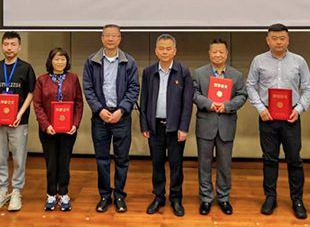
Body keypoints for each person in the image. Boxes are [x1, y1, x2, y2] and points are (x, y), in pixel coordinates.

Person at [247, 23, 310, 220]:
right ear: (267, 40)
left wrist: (299, 109)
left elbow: (308, 88)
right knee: (269, 159)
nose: (278, 42)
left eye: (282, 38)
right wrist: (260, 108)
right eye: (274, 38)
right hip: (267, 117)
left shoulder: (298, 61)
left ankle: (297, 200)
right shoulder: (259, 60)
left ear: (288, 40)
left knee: (294, 160)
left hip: (291, 117)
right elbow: (250, 86)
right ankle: (270, 197)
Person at [83, 24, 140, 213]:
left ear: (120, 39)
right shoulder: (91, 61)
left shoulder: (129, 62)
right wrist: (99, 110)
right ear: (101, 38)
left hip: (121, 117)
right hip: (100, 118)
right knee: (102, 159)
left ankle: (120, 195)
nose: (110, 39)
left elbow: (134, 89)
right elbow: (88, 88)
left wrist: (121, 110)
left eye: (114, 35)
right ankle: (105, 196)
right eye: (107, 35)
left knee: (122, 159)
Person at [139, 34, 194, 217]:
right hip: (155, 126)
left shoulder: (183, 72)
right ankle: (159, 197)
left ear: (174, 51)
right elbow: (144, 100)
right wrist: (144, 125)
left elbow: (187, 103)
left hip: (175, 127)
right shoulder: (148, 72)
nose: (165, 52)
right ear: (156, 51)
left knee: (176, 165)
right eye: (161, 48)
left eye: (168, 48)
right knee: (157, 164)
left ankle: (176, 199)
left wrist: (184, 127)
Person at [192, 38, 247, 216]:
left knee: (225, 164)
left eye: (221, 52)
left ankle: (224, 198)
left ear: (227, 54)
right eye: (214, 52)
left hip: (226, 125)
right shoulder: (199, 73)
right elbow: (193, 93)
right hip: (205, 123)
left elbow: (242, 95)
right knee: (204, 164)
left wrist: (227, 106)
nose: (218, 55)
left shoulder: (236, 75)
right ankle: (206, 198)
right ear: (209, 54)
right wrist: (208, 104)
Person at [0, 32, 36, 212]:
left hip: (18, 121)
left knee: (19, 157)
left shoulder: (26, 68)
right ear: (1, 46)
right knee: (0, 156)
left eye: (13, 44)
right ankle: (2, 190)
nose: (9, 48)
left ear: (19, 47)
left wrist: (20, 113)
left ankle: (16, 191)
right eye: (6, 44)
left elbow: (31, 93)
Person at [33, 47, 84, 211]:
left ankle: (63, 193)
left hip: (68, 130)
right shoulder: (41, 80)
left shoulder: (73, 78)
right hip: (48, 130)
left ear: (67, 62)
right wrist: (46, 125)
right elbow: (37, 105)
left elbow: (79, 103)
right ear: (51, 61)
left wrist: (75, 124)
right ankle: (50, 194)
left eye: (63, 59)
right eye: (56, 59)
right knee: (51, 162)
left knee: (64, 161)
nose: (60, 62)